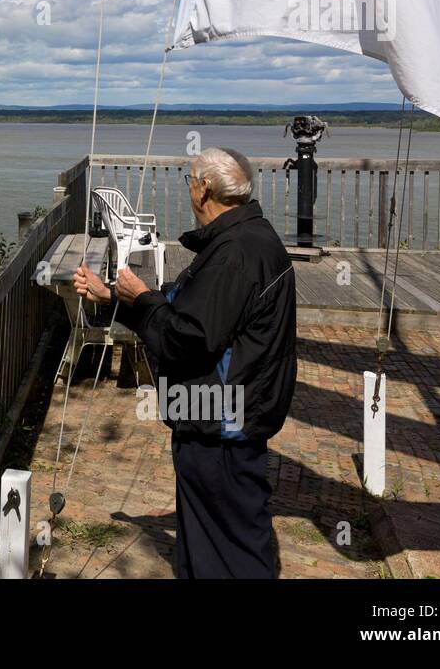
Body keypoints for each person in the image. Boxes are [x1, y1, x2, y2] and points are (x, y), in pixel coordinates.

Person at [73, 147, 296, 578]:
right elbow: (194, 307)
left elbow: (187, 338)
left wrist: (140, 299)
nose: (189, 187)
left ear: (204, 189)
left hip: (223, 423)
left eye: (190, 179)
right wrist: (113, 297)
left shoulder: (236, 253)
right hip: (222, 418)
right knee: (205, 546)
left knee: (233, 549)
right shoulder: (247, 238)